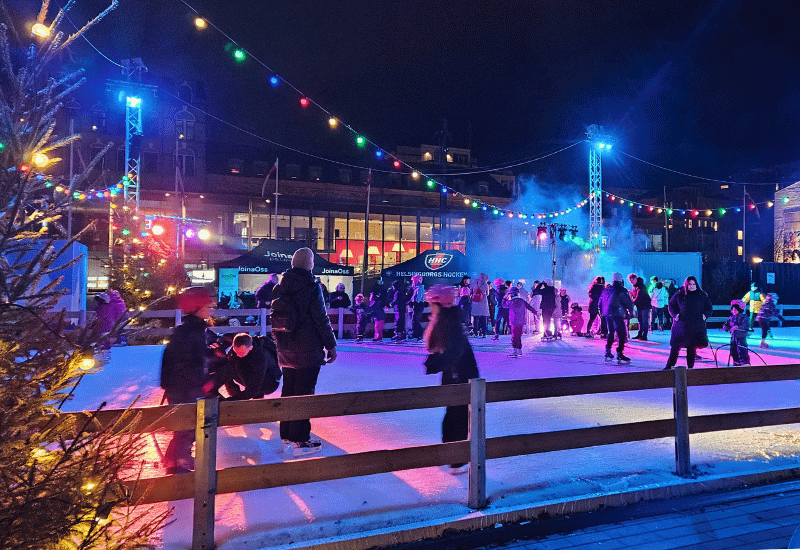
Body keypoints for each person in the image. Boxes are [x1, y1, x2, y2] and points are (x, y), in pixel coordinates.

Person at [272, 248, 337, 457]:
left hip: (285, 348)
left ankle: (287, 434)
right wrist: (331, 345)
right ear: (309, 264)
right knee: (304, 393)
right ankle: (300, 439)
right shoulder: (311, 287)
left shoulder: (278, 288)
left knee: (288, 390)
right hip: (308, 350)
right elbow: (321, 319)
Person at [422, 284, 479, 474]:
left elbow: (456, 349)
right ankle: (452, 457)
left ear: (441, 303)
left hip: (459, 374)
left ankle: (456, 460)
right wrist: (436, 361)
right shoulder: (446, 318)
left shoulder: (451, 320)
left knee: (457, 415)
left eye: (432, 303)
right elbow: (444, 347)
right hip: (455, 372)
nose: (430, 307)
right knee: (454, 414)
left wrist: (436, 364)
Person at [160, 286, 216, 474]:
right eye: (209, 303)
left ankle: (175, 459)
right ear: (196, 306)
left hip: (185, 385)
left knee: (187, 426)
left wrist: (212, 354)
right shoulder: (189, 332)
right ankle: (177, 464)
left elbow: (194, 357)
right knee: (187, 426)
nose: (213, 306)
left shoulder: (195, 330)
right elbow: (182, 363)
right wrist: (201, 380)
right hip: (183, 387)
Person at [663, 276, 713, 370]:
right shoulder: (680, 294)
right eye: (690, 284)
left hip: (695, 326)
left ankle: (690, 368)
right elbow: (671, 305)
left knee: (691, 347)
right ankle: (669, 366)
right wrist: (675, 315)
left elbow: (709, 307)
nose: (692, 286)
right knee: (675, 347)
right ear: (686, 284)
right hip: (681, 325)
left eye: (694, 284)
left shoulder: (701, 295)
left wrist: (705, 315)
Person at [217, 333, 281, 400]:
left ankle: (248, 400)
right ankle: (236, 398)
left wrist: (232, 399)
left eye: (241, 352)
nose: (238, 354)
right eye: (236, 351)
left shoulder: (261, 356)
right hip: (250, 373)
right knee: (230, 367)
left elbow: (254, 387)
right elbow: (227, 371)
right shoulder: (234, 352)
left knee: (243, 370)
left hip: (269, 382)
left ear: (251, 348)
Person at [598, 273, 634, 363]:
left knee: (611, 332)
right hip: (617, 314)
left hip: (607, 314)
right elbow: (628, 303)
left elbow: (600, 303)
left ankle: (608, 350)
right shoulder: (622, 290)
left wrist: (603, 313)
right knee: (622, 333)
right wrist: (631, 312)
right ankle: (619, 352)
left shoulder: (606, 290)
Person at [507, 287, 536, 357]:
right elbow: (529, 307)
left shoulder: (511, 302)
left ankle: (515, 351)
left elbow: (503, 304)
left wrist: (505, 297)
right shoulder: (522, 301)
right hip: (521, 321)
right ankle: (519, 350)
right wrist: (535, 312)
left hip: (514, 321)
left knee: (514, 336)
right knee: (518, 336)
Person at [723, 300, 750, 366]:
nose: (733, 311)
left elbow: (745, 325)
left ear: (740, 310)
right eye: (732, 309)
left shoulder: (744, 318)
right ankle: (736, 362)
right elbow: (726, 325)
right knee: (733, 351)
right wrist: (728, 328)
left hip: (741, 338)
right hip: (733, 338)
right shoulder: (731, 318)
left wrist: (737, 327)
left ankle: (745, 363)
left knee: (742, 350)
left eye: (736, 309)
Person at [628, 274, 652, 341]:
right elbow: (636, 296)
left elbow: (639, 297)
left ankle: (644, 335)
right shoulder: (635, 286)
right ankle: (640, 334)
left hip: (645, 306)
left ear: (635, 278)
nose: (631, 282)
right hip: (639, 306)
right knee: (640, 321)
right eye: (630, 280)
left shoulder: (641, 286)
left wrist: (632, 303)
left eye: (632, 280)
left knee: (644, 321)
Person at [407, 274, 426, 341]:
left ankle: (419, 334)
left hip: (418, 305)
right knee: (414, 319)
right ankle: (416, 334)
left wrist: (412, 302)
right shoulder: (416, 287)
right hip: (417, 304)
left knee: (415, 320)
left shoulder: (420, 287)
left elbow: (418, 298)